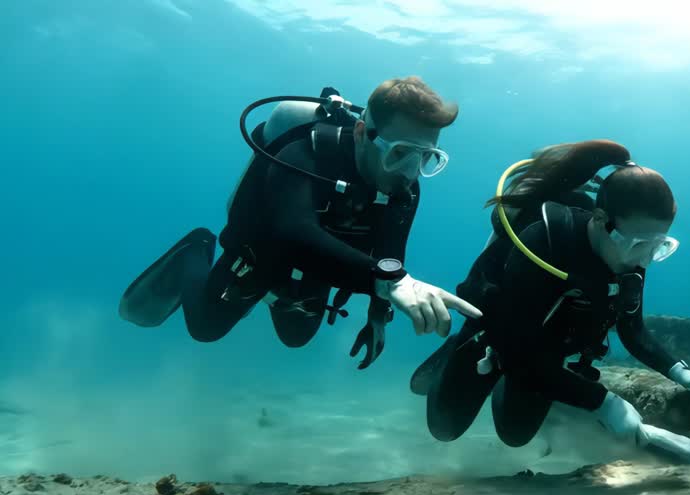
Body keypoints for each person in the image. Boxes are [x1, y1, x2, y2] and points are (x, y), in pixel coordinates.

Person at [118, 77, 481, 369]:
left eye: (426, 157)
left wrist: (378, 315)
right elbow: (292, 233)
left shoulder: (406, 188)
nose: (409, 170)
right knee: (204, 328)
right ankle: (195, 252)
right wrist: (387, 282)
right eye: (400, 152)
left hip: (326, 265)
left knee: (296, 338)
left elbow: (390, 257)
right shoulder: (307, 152)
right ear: (360, 133)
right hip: (262, 251)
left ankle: (277, 297)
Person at [412, 140, 690, 464]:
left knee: (515, 435)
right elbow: (516, 350)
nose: (647, 259)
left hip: (541, 355)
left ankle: (515, 386)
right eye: (640, 244)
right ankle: (454, 352)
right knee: (445, 427)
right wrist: (605, 402)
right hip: (496, 340)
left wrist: (677, 370)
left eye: (660, 246)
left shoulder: (631, 255)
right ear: (599, 219)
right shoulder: (545, 241)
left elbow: (631, 327)